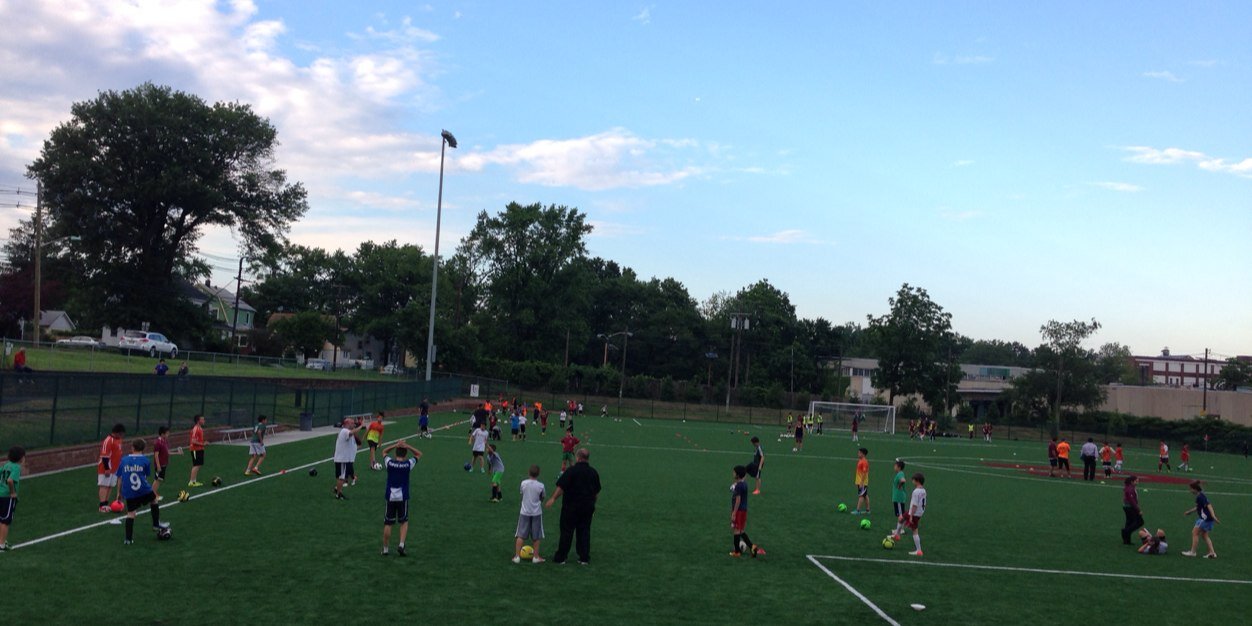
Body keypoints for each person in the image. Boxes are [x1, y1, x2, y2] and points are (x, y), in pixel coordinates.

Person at [546, 448, 601, 565]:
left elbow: (561, 487)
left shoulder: (571, 471)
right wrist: (593, 505)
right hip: (587, 507)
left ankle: (561, 557)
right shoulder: (593, 472)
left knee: (566, 531)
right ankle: (584, 557)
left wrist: (553, 498)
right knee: (584, 531)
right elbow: (596, 492)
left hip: (571, 507)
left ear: (578, 457)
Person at [118, 439, 171, 544]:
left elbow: (119, 478)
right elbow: (145, 476)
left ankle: (128, 539)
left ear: (132, 448)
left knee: (131, 514)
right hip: (143, 489)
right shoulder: (145, 461)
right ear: (143, 449)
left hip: (129, 492)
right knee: (154, 500)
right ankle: (156, 524)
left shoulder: (123, 460)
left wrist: (119, 493)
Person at [380, 440, 421, 556]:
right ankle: (401, 545)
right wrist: (407, 445)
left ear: (395, 453)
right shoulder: (408, 464)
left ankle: (386, 549)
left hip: (390, 497)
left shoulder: (389, 463)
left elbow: (384, 452)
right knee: (404, 521)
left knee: (388, 523)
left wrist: (395, 445)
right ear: (405, 454)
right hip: (403, 497)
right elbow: (418, 454)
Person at [728, 465, 765, 558]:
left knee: (736, 530)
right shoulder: (744, 484)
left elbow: (738, 500)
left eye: (734, 472)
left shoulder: (739, 486)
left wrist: (734, 513)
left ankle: (737, 551)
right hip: (743, 510)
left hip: (739, 510)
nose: (733, 473)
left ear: (738, 475)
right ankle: (752, 546)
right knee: (741, 530)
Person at [513, 464, 547, 564]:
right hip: (536, 512)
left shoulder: (523, 483)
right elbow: (542, 497)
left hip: (524, 512)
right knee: (536, 536)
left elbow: (522, 493)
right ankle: (536, 557)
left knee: (520, 535)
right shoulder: (541, 485)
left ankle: (517, 556)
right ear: (538, 474)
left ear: (529, 472)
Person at [1181, 480, 1219, 558]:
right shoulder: (1201, 494)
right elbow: (1198, 507)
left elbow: (1209, 505)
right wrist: (1190, 512)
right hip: (1207, 519)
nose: (1190, 490)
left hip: (1205, 519)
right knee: (1204, 535)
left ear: (1195, 489)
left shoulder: (1200, 497)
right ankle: (1212, 553)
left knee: (1195, 533)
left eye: (1191, 489)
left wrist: (1213, 515)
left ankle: (1193, 552)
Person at [333, 417, 366, 500]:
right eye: (352, 423)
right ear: (347, 424)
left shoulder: (346, 432)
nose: (353, 424)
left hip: (344, 459)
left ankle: (337, 489)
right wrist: (361, 426)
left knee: (342, 477)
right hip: (343, 459)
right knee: (342, 477)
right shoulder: (345, 431)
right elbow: (352, 432)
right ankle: (339, 494)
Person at [0, 446, 24, 550]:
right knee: (6, 521)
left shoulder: (6, 465)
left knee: (1, 519)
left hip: (0, 494)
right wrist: (13, 492)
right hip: (7, 497)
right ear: (21, 458)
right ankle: (1, 544)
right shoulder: (16, 467)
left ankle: (2, 542)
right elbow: (10, 480)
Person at [98, 423, 125, 512]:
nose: (122, 436)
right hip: (106, 468)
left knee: (110, 486)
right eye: (121, 433)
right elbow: (105, 456)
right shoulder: (108, 440)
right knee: (104, 485)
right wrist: (107, 468)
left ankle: (106, 504)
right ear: (117, 433)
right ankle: (101, 506)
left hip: (115, 468)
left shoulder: (119, 440)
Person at [905, 472, 927, 556]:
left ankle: (919, 550)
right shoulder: (923, 490)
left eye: (913, 480)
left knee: (915, 531)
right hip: (919, 512)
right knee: (902, 517)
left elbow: (914, 505)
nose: (912, 481)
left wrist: (911, 516)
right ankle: (898, 532)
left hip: (914, 513)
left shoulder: (916, 492)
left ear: (917, 481)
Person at [1121, 475, 1144, 545]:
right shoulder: (1130, 489)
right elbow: (1132, 501)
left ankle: (1126, 541)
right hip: (1130, 507)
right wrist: (1138, 510)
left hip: (1127, 507)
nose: (1138, 482)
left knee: (1129, 522)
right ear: (1132, 482)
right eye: (1136, 481)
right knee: (1140, 522)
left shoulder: (1129, 487)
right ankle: (1126, 531)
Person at [153, 426, 174, 501]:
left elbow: (167, 452)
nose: (168, 435)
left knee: (159, 479)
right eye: (167, 433)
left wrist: (177, 452)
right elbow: (156, 455)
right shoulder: (158, 443)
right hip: (160, 465)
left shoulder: (164, 441)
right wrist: (158, 466)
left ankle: (154, 493)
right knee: (157, 479)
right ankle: (153, 495)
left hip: (164, 464)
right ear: (162, 434)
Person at [889, 458, 908, 541]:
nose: (894, 467)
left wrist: (900, 485)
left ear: (899, 467)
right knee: (900, 514)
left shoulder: (900, 474)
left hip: (899, 497)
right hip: (898, 497)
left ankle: (900, 530)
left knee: (901, 515)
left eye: (895, 466)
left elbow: (903, 480)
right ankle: (899, 530)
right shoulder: (900, 473)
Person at [187, 414, 206, 487]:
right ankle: (191, 482)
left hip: (199, 449)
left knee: (198, 464)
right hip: (195, 449)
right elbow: (193, 441)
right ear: (198, 421)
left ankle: (194, 481)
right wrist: (203, 444)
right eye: (202, 419)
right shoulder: (196, 429)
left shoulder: (200, 428)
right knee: (196, 465)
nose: (204, 420)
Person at [853, 447, 870, 515]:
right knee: (865, 495)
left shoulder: (864, 462)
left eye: (859, 453)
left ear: (863, 454)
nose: (858, 454)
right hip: (861, 481)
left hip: (862, 482)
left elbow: (864, 472)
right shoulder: (861, 460)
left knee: (861, 496)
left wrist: (861, 482)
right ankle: (868, 510)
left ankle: (858, 510)